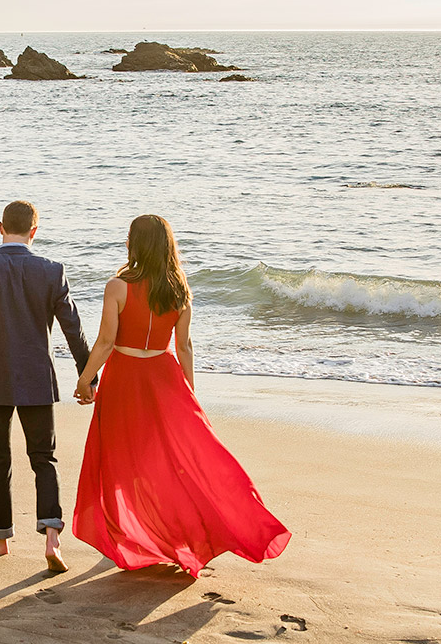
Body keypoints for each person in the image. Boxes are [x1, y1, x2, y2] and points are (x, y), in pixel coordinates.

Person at [71, 214, 289, 576]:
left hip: (124, 377)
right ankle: (167, 534)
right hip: (163, 377)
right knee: (167, 460)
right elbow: (184, 346)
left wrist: (85, 379)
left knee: (120, 458)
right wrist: (188, 392)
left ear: (133, 244)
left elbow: (107, 341)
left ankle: (131, 535)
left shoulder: (117, 286)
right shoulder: (179, 288)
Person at [0, 200, 92, 570]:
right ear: (34, 232)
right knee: (44, 457)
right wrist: (88, 377)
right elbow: (74, 329)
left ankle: (0, 537)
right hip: (38, 378)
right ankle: (53, 536)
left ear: (0, 227)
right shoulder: (52, 271)